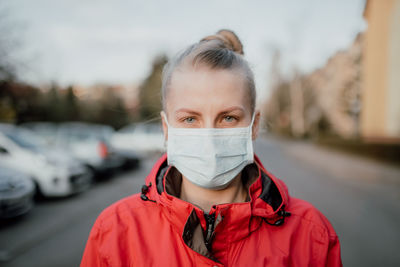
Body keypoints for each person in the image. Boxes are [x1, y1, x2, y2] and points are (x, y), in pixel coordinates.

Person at [81, 29, 342, 267]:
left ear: (253, 125)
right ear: (166, 128)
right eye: (190, 119)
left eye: (228, 117)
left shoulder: (310, 235)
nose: (209, 137)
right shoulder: (116, 231)